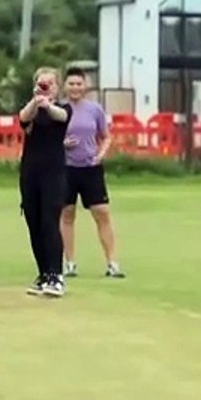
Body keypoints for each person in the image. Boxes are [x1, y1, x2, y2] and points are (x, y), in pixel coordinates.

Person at [59, 67, 125, 279]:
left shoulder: (94, 110)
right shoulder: (58, 110)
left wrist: (100, 154)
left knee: (102, 213)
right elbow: (48, 140)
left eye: (79, 84)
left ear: (85, 86)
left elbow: (106, 136)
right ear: (65, 86)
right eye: (71, 84)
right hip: (66, 168)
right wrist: (62, 144)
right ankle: (69, 263)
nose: (75, 88)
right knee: (67, 214)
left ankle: (112, 263)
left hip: (90, 168)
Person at [18, 67, 73, 297]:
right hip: (30, 171)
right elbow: (23, 119)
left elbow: (62, 117)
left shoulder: (62, 108)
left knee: (50, 222)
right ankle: (43, 273)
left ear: (57, 87)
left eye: (49, 83)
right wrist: (35, 100)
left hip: (53, 173)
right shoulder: (32, 110)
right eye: (41, 83)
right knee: (34, 222)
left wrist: (47, 104)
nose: (45, 87)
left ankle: (56, 275)